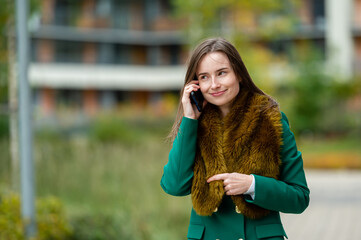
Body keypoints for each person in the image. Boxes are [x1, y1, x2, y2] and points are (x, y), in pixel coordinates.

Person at [160, 37, 310, 240]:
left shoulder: (270, 118)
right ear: (195, 83)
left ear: (238, 73)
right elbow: (174, 186)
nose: (214, 84)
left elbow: (299, 198)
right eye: (204, 77)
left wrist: (252, 185)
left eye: (221, 73)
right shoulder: (193, 125)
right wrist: (189, 119)